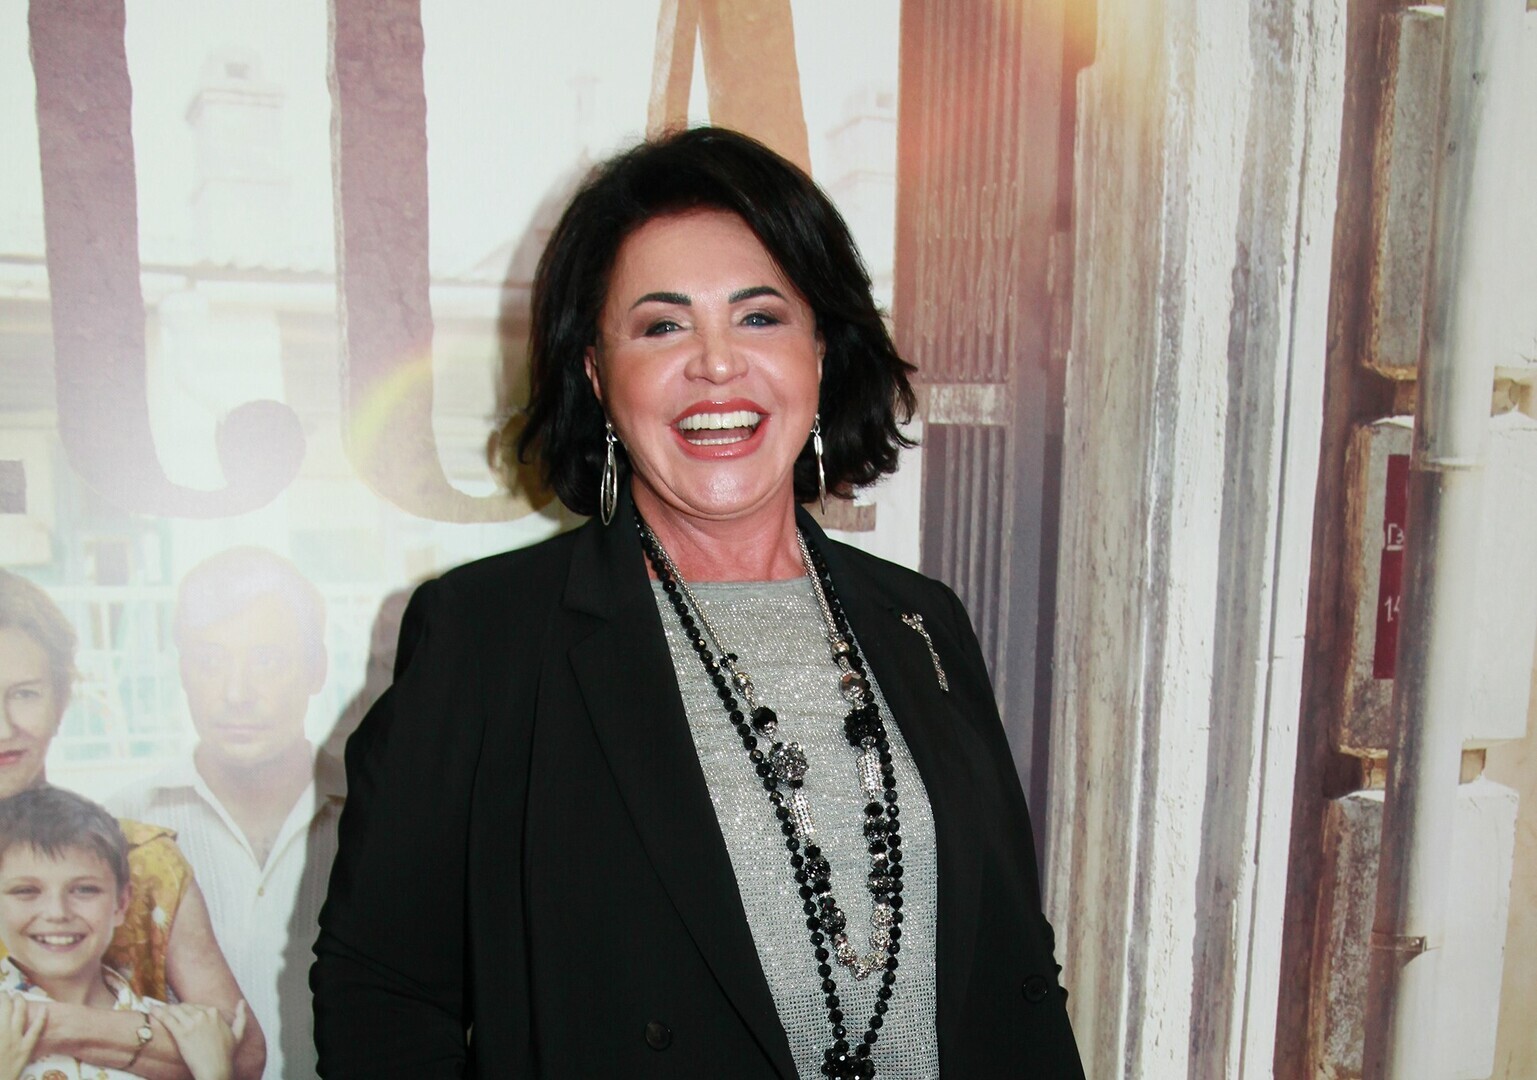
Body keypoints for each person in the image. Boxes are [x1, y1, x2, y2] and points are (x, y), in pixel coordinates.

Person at [312, 126, 1084, 1078]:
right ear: (596, 374)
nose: (717, 364)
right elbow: (381, 990)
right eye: (662, 326)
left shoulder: (920, 621)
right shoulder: (487, 636)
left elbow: (1011, 970)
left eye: (759, 317)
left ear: (819, 352)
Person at [0, 568, 266, 1080]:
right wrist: (151, 1037)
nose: (4, 727)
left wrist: (44, 1022)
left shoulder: (140, 858)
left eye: (25, 694)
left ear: (62, 701)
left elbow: (241, 1052)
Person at [110, 548, 343, 1080]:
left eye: (267, 661)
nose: (237, 694)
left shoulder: (383, 818)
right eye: (210, 661)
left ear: (317, 669)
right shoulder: (120, 827)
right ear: (183, 671)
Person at [0, 787, 247, 1080]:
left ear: (121, 903)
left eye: (84, 889)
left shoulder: (180, 1031)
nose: (57, 912)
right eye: (25, 891)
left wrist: (215, 1072)